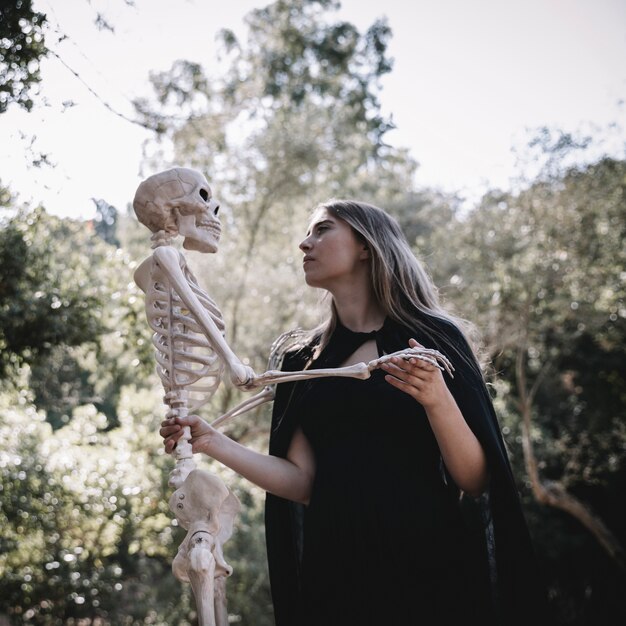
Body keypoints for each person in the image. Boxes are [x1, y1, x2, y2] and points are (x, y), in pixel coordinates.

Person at [160, 199, 546, 626]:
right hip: (335, 572)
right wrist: (214, 442)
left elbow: (474, 481)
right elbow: (304, 482)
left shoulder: (435, 338)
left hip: (428, 565)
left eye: (322, 229)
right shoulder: (303, 360)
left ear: (366, 246)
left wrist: (437, 399)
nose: (304, 243)